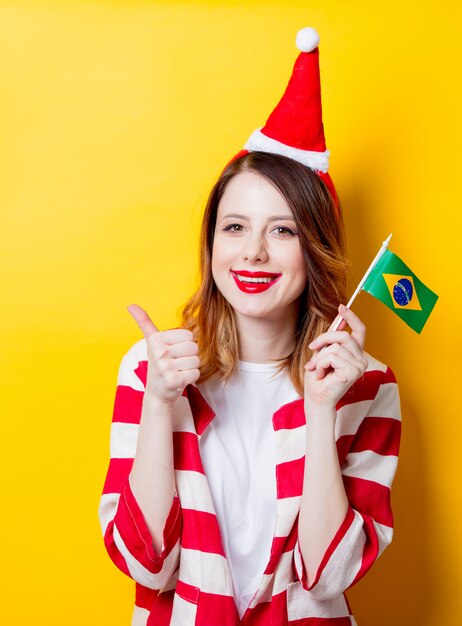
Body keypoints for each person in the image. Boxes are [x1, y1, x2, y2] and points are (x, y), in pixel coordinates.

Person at [98, 28, 401, 626]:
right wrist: (159, 403)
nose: (253, 253)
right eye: (235, 228)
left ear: (313, 250)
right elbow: (145, 564)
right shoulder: (152, 369)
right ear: (212, 244)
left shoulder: (368, 385)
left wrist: (321, 410)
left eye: (283, 230)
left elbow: (326, 577)